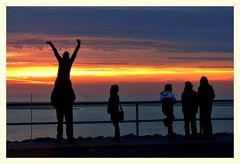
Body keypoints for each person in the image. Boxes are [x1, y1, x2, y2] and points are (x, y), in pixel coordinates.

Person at [46, 39, 81, 143]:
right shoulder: (69, 62)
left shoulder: (62, 61)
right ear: (68, 57)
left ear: (63, 57)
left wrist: (52, 45)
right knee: (68, 121)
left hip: (61, 89)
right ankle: (68, 138)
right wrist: (78, 46)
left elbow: (56, 53)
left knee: (60, 121)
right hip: (65, 90)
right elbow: (74, 55)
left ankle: (60, 138)